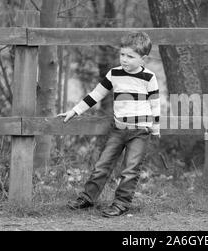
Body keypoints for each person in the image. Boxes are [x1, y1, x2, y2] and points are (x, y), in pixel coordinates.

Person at [57, 32, 160, 217]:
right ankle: (87, 198)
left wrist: (156, 126)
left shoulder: (149, 77)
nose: (125, 60)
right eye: (122, 55)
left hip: (140, 132)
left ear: (143, 59)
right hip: (118, 130)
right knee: (102, 165)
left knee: (130, 170)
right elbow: (96, 94)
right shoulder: (114, 74)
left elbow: (155, 103)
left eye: (130, 56)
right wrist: (75, 110)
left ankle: (121, 203)